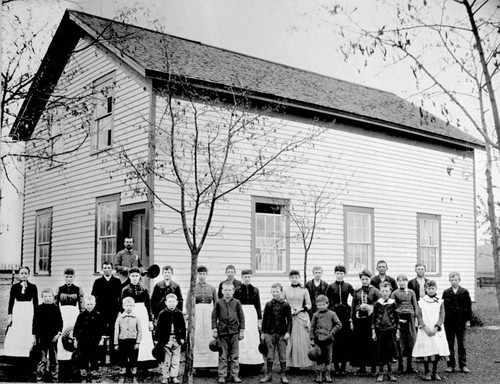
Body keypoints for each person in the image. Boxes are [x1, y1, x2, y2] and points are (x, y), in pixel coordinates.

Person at [412, 280, 450, 381]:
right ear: (425, 289)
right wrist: (424, 327)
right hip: (425, 330)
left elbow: (442, 315)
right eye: (429, 288)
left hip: (436, 330)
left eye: (433, 288)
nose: (431, 290)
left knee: (436, 349)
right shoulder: (421, 301)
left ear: (436, 289)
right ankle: (427, 372)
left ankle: (435, 372)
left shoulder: (440, 301)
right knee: (427, 351)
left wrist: (436, 327)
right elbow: (419, 315)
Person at [212, 282, 245, 383]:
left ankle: (235, 375)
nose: (227, 292)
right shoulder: (218, 302)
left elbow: (241, 316)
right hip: (222, 333)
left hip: (234, 332)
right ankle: (222, 375)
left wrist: (242, 330)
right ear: (222, 291)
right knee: (223, 355)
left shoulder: (237, 302)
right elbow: (214, 316)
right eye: (225, 290)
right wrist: (214, 329)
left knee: (234, 355)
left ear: (233, 291)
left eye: (229, 290)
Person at [260, 283, 292, 384]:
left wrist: (288, 332)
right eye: (273, 292)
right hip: (269, 333)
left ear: (281, 292)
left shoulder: (286, 305)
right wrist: (263, 333)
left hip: (282, 333)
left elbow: (290, 320)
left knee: (282, 355)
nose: (275, 293)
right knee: (269, 355)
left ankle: (283, 375)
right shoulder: (268, 304)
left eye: (277, 291)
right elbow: (264, 320)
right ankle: (268, 375)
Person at [91, 260, 122, 363]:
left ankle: (114, 358)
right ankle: (101, 358)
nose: (107, 270)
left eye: (109, 268)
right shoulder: (98, 282)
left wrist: (120, 310)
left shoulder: (117, 282)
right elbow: (93, 296)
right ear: (102, 269)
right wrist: (96, 311)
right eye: (105, 268)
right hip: (101, 311)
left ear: (112, 269)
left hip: (114, 311)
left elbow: (120, 297)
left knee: (114, 332)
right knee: (101, 333)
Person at [121, 267, 155, 363]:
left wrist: (150, 320)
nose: (135, 278)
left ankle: (144, 359)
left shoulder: (144, 289)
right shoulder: (125, 290)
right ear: (129, 276)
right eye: (132, 276)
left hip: (142, 313)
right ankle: (132, 360)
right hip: (130, 312)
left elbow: (148, 305)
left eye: (136, 275)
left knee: (143, 334)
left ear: (139, 276)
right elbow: (122, 304)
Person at [4, 266, 38, 357]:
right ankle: (16, 350)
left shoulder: (33, 287)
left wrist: (36, 314)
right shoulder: (15, 287)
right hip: (18, 309)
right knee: (17, 327)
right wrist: (10, 315)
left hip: (28, 310)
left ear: (29, 274)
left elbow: (35, 302)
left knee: (27, 326)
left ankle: (27, 350)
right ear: (19, 275)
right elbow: (11, 301)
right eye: (22, 273)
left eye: (26, 273)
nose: (24, 275)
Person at [351, 269, 380, 375]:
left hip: (371, 319)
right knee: (360, 343)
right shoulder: (357, 291)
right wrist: (351, 319)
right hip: (359, 319)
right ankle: (362, 367)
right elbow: (353, 305)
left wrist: (370, 307)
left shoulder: (375, 290)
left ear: (370, 279)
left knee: (371, 343)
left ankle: (373, 368)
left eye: (366, 279)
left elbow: (380, 303)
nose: (364, 281)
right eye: (362, 279)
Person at [326, 264, 354, 375]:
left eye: (341, 274)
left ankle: (343, 367)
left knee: (345, 340)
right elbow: (326, 301)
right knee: (335, 340)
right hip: (335, 314)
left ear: (344, 274)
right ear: (334, 274)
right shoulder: (331, 286)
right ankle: (336, 367)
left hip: (345, 315)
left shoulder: (348, 286)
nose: (339, 275)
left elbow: (355, 297)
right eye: (337, 273)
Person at [442, 272, 472, 373]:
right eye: (452, 280)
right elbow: (443, 308)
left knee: (461, 345)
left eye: (456, 280)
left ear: (459, 280)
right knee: (450, 345)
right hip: (449, 323)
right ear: (449, 280)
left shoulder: (464, 292)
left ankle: (463, 365)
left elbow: (468, 307)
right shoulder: (446, 292)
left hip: (461, 322)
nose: (454, 282)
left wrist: (468, 320)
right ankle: (450, 365)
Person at [33, 288, 63, 383]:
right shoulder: (38, 309)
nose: (47, 298)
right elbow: (35, 323)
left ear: (53, 297)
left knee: (54, 359)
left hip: (53, 338)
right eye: (45, 296)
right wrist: (34, 337)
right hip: (41, 338)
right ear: (42, 297)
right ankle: (40, 377)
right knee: (42, 359)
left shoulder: (56, 308)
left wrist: (58, 334)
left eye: (49, 296)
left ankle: (54, 377)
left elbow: (60, 322)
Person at [283, 269, 313, 369]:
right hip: (290, 317)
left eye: (296, 277)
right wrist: (289, 309)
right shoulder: (286, 290)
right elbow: (282, 303)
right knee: (291, 340)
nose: (294, 279)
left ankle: (302, 363)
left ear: (299, 278)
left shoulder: (304, 290)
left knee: (301, 340)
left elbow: (309, 305)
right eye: (292, 277)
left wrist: (300, 309)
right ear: (289, 278)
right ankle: (291, 364)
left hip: (301, 317)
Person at [154, 293, 186, 384]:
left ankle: (174, 376)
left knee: (175, 359)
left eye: (173, 301)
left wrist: (183, 338)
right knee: (166, 360)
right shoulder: (162, 314)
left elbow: (183, 327)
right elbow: (158, 328)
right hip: (165, 340)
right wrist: (157, 339)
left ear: (176, 302)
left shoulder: (179, 313)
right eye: (169, 301)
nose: (171, 303)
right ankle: (166, 376)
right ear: (166, 303)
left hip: (176, 339)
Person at [233, 269, 263, 365]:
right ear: (242, 278)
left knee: (252, 335)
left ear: (251, 277)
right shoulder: (237, 290)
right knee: (243, 335)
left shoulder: (255, 290)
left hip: (252, 313)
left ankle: (254, 361)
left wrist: (259, 319)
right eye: (245, 277)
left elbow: (258, 305)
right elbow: (235, 304)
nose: (247, 279)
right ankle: (241, 361)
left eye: (249, 277)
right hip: (241, 313)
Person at [309, 295, 342, 383]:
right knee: (318, 357)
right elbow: (311, 328)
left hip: (328, 340)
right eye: (319, 305)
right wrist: (312, 338)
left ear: (327, 304)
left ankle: (327, 374)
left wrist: (332, 333)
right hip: (318, 340)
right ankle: (319, 374)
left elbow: (339, 325)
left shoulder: (332, 314)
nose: (321, 306)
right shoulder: (315, 315)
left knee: (328, 357)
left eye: (323, 304)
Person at [73, 295, 106, 382]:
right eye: (88, 304)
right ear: (84, 304)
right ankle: (84, 369)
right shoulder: (81, 316)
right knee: (83, 355)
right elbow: (76, 329)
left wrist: (102, 339)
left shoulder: (99, 315)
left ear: (94, 304)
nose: (89, 306)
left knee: (94, 355)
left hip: (94, 340)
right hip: (83, 340)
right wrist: (76, 340)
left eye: (91, 304)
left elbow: (102, 328)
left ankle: (94, 369)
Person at [55, 267, 84, 361]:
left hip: (73, 313)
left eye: (70, 276)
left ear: (74, 277)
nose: (69, 279)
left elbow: (81, 304)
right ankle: (60, 355)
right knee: (62, 332)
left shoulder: (78, 289)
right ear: (64, 277)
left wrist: (82, 315)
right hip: (62, 313)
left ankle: (72, 355)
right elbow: (55, 304)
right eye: (67, 276)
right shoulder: (59, 289)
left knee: (72, 332)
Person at [372, 282, 399, 383]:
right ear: (379, 291)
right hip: (380, 330)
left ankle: (390, 373)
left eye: (387, 291)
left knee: (390, 352)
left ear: (390, 291)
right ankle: (381, 373)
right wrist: (373, 331)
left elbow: (397, 318)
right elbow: (373, 319)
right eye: (382, 291)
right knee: (380, 352)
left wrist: (398, 331)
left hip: (391, 330)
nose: (385, 293)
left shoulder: (393, 303)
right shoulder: (377, 303)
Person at [391, 274, 418, 373]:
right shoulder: (395, 293)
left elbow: (415, 306)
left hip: (410, 320)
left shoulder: (411, 292)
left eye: (404, 280)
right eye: (400, 281)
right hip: (400, 320)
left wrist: (415, 319)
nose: (402, 282)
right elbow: (392, 307)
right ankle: (400, 366)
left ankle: (409, 366)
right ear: (397, 282)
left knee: (410, 341)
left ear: (407, 281)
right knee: (400, 343)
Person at [193, 265, 218, 369]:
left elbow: (216, 304)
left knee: (208, 335)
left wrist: (216, 317)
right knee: (198, 335)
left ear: (206, 275)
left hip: (209, 314)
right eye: (200, 274)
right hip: (197, 313)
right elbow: (189, 303)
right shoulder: (193, 287)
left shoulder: (211, 288)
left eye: (203, 274)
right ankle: (198, 365)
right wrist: (190, 315)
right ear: (197, 275)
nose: (202, 276)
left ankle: (211, 363)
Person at [114, 297, 142, 383]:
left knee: (133, 358)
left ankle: (134, 376)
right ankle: (123, 375)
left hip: (133, 341)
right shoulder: (120, 318)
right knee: (123, 358)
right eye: (127, 305)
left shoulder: (136, 318)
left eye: (130, 305)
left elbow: (140, 331)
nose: (128, 307)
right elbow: (116, 331)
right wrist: (116, 343)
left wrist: (138, 342)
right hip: (122, 341)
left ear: (133, 306)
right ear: (123, 306)